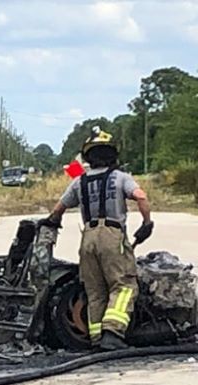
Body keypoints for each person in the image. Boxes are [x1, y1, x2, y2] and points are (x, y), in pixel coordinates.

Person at [40, 127, 153, 350]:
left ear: (88, 157)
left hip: (88, 237)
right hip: (112, 235)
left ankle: (96, 338)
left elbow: (58, 209)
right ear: (113, 155)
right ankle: (113, 332)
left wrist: (51, 223)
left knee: (95, 290)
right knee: (124, 285)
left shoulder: (79, 181)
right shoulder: (120, 177)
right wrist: (147, 222)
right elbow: (140, 196)